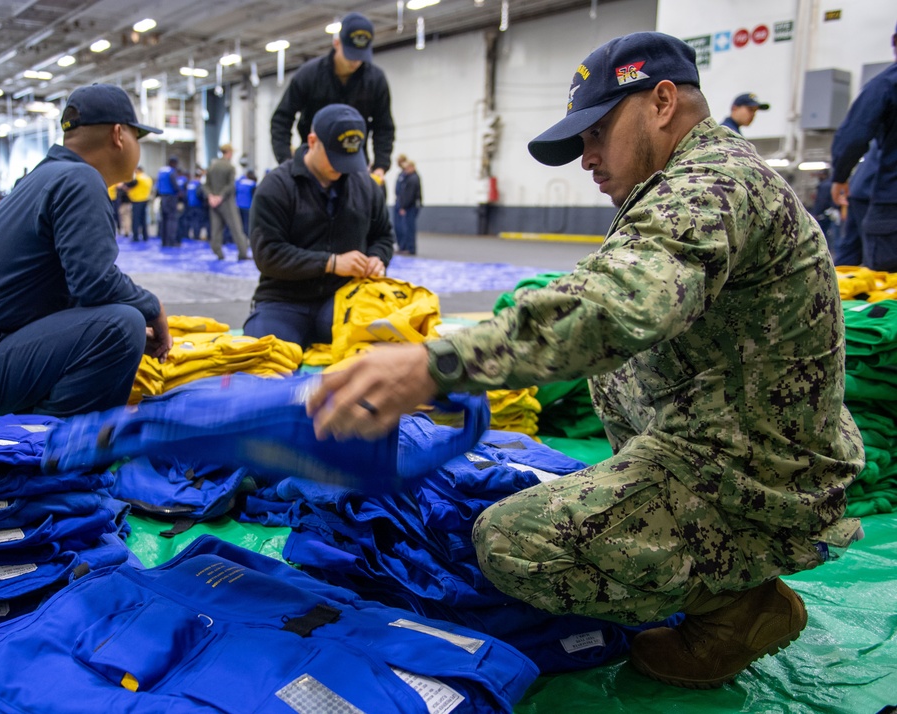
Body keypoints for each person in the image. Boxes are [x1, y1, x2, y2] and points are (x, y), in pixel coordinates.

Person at [308, 32, 864, 690]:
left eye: (597, 131)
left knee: (512, 542)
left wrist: (431, 365)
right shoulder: (683, 184)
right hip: (730, 440)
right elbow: (602, 299)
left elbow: (615, 304)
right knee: (607, 364)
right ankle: (705, 545)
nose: (587, 158)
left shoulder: (710, 187)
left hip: (757, 478)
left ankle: (734, 603)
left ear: (661, 101)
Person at [0, 83, 172, 419]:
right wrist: (152, 306)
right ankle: (50, 444)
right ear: (119, 135)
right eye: (136, 138)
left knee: (116, 323)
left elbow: (73, 293)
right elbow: (96, 283)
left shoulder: (45, 177)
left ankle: (15, 423)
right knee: (123, 323)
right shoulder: (80, 179)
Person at [244, 104, 394, 349]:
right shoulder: (276, 187)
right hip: (283, 301)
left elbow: (384, 236)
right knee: (266, 362)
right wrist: (330, 263)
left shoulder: (366, 187)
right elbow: (268, 254)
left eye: (349, 158)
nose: (342, 166)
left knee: (380, 357)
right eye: (335, 157)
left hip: (344, 299)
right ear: (313, 141)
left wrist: (378, 258)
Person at [270, 12, 395, 181]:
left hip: (354, 163)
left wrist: (380, 166)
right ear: (337, 43)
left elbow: (384, 126)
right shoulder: (309, 75)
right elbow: (281, 119)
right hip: (312, 166)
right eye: (351, 54)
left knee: (375, 197)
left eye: (360, 56)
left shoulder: (375, 80)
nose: (355, 62)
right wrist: (286, 160)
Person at [830, 21, 897, 272]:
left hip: (891, 205)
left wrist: (840, 176)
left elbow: (854, 135)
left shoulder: (886, 85)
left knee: (885, 290)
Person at [203, 143, 249, 261]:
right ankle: (243, 253)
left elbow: (206, 185)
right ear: (229, 153)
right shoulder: (230, 167)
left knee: (216, 230)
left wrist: (211, 196)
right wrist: (220, 196)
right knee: (236, 228)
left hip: (213, 203)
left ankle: (218, 253)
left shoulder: (212, 166)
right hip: (226, 202)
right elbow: (230, 186)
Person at [394, 160, 422, 255]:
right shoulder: (410, 178)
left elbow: (409, 195)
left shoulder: (412, 179)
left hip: (410, 207)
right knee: (407, 227)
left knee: (409, 228)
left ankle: (410, 248)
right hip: (409, 206)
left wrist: (403, 207)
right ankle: (407, 247)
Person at [155, 156, 181, 247]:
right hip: (171, 198)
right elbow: (175, 185)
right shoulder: (171, 172)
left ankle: (164, 241)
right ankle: (171, 241)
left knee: (164, 219)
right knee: (172, 219)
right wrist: (180, 192)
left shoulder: (161, 171)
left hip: (163, 198)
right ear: (173, 163)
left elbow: (157, 186)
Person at [127, 165, 153, 242]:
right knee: (143, 220)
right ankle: (145, 236)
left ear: (138, 170)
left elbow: (129, 185)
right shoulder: (148, 178)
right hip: (145, 200)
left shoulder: (138, 178)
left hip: (137, 201)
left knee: (136, 220)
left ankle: (135, 237)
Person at [235, 169, 258, 236]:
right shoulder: (252, 184)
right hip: (248, 206)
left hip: (238, 205)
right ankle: (247, 237)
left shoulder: (240, 182)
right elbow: (254, 195)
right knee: (247, 223)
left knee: (240, 223)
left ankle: (241, 237)